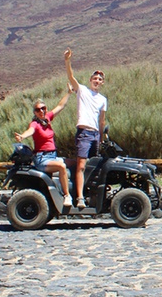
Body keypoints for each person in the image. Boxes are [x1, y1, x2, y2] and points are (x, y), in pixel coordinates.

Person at [13, 88, 73, 204]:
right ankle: (66, 195)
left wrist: (69, 93)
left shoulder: (48, 119)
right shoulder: (35, 123)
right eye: (38, 109)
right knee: (61, 166)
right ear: (35, 112)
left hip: (53, 156)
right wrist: (22, 136)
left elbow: (60, 106)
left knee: (76, 164)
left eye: (43, 108)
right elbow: (30, 130)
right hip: (42, 158)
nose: (41, 111)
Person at [64, 49, 107, 208]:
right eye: (95, 78)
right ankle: (80, 198)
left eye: (99, 79)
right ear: (90, 80)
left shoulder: (103, 99)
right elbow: (71, 77)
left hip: (95, 135)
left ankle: (91, 196)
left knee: (94, 166)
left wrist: (102, 138)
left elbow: (101, 121)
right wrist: (68, 61)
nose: (97, 80)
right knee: (81, 165)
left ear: (102, 83)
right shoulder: (82, 91)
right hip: (84, 133)